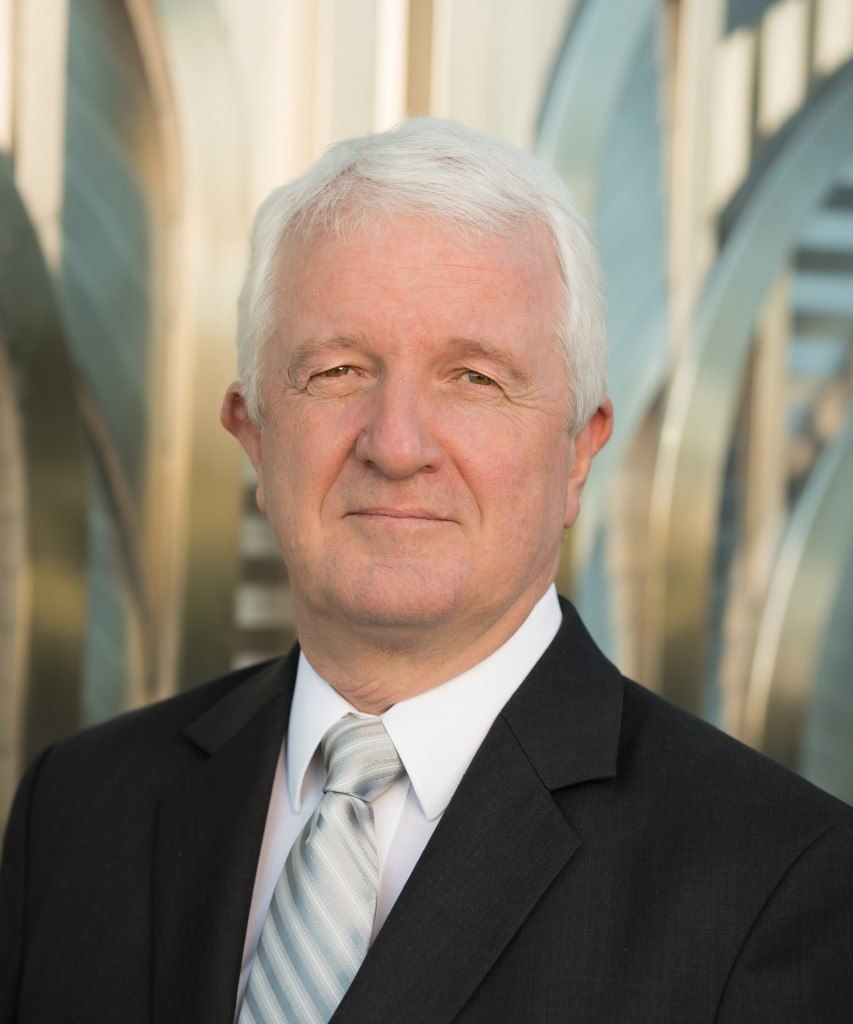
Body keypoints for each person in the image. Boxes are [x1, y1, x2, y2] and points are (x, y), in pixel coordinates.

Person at [1, 118, 851, 1024]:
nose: (396, 445)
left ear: (576, 453)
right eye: (336, 370)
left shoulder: (769, 879)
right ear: (252, 435)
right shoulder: (77, 810)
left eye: (473, 378)